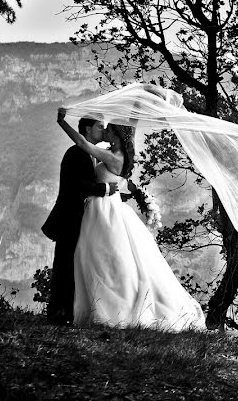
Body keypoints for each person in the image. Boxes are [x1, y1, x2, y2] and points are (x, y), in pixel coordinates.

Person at [56, 109, 206, 330]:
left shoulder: (110, 156)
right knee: (103, 257)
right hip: (108, 208)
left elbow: (82, 142)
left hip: (104, 211)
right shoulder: (124, 152)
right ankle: (98, 305)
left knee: (101, 257)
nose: (105, 130)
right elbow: (131, 128)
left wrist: (62, 122)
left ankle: (110, 308)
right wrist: (137, 103)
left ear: (116, 135)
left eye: (108, 129)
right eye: (102, 127)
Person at [41, 115, 118, 325]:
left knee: (74, 265)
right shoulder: (75, 153)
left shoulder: (91, 154)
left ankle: (69, 312)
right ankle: (58, 313)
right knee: (64, 265)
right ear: (87, 130)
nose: (102, 131)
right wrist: (104, 189)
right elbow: (75, 185)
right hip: (69, 218)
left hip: (82, 218)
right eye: (99, 127)